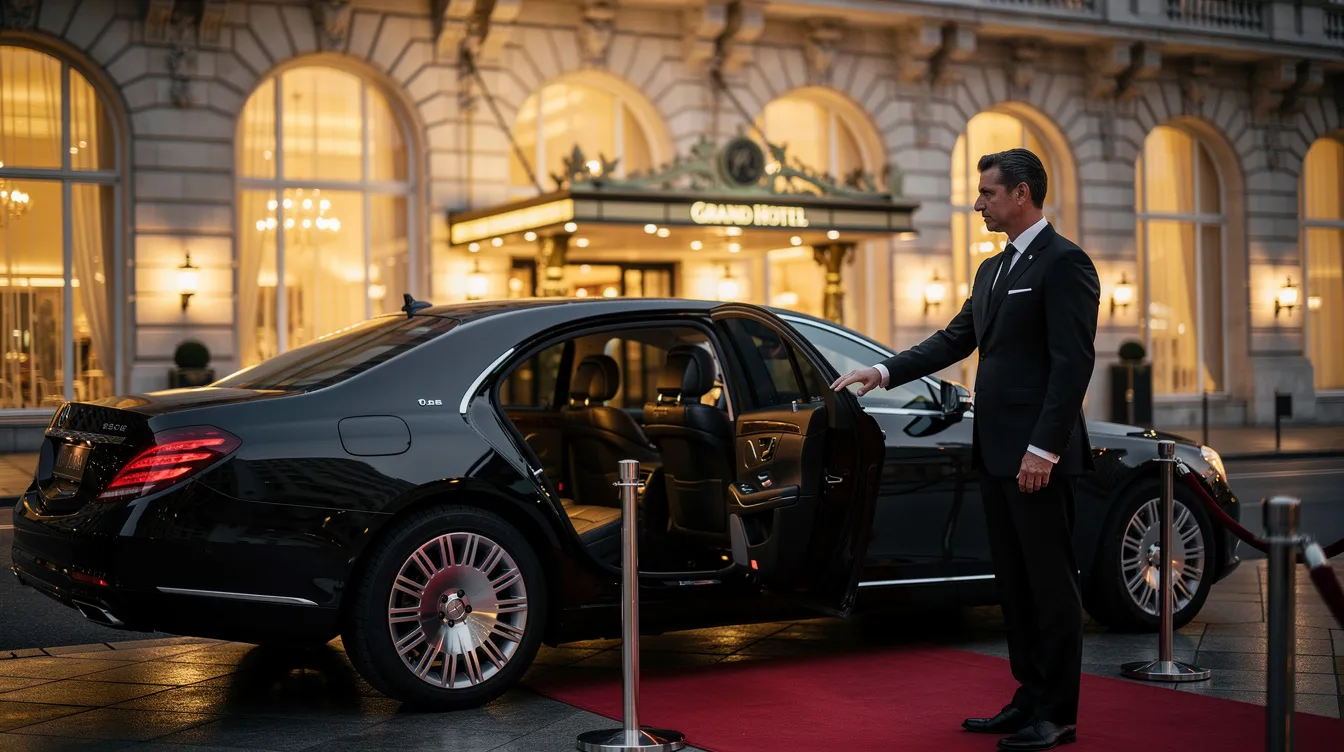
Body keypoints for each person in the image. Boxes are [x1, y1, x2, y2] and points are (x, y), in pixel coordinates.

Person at [831, 148, 1100, 752]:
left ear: (1022, 194)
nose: (979, 204)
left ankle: (1057, 714)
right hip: (996, 452)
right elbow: (955, 338)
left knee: (1051, 586)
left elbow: (1072, 366)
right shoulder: (990, 269)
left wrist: (1043, 450)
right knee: (1015, 585)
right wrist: (883, 371)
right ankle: (1028, 697)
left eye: (988, 193)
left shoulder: (1066, 263)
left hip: (1037, 458)